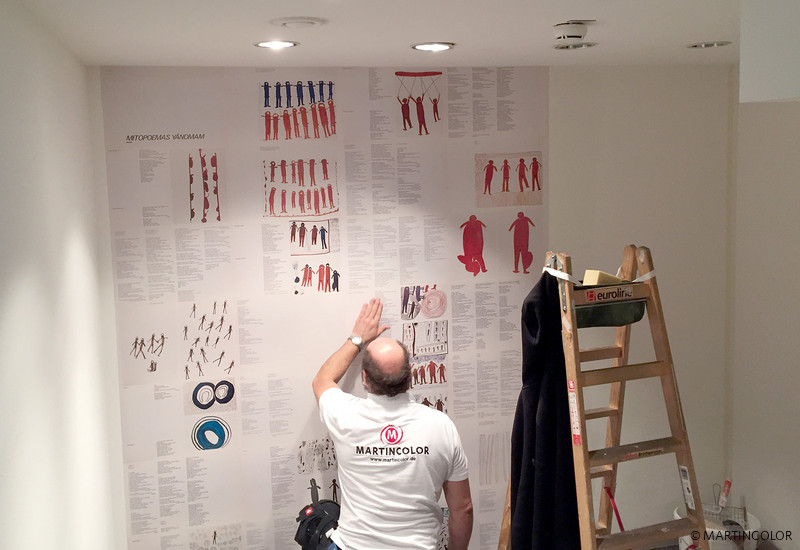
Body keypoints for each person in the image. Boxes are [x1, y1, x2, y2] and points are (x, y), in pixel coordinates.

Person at [312, 298, 473, 550]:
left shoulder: (345, 415)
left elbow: (322, 380)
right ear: (410, 374)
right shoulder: (440, 426)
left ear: (365, 379)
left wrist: (357, 338)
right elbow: (463, 508)